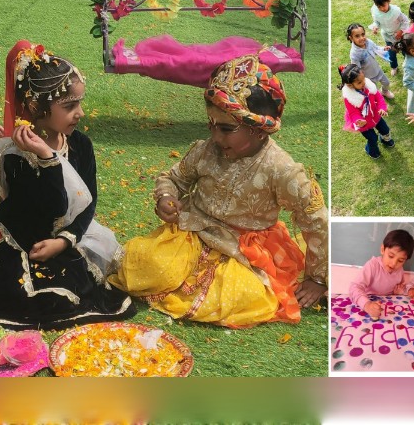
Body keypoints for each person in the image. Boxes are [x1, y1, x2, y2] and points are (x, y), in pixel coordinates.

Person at [109, 54, 328, 327]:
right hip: (190, 234)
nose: (215, 137)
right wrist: (167, 197)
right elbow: (174, 178)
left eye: (226, 128)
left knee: (247, 298)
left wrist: (317, 278)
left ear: (259, 129)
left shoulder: (281, 170)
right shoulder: (206, 149)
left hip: (244, 251)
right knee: (147, 265)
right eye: (210, 125)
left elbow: (317, 219)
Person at [0, 41, 134, 330]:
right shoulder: (17, 157)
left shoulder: (81, 145)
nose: (80, 113)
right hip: (27, 242)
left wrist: (65, 241)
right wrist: (47, 160)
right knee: (40, 298)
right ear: (36, 108)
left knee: (87, 287)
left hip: (67, 238)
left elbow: (89, 201)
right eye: (70, 106)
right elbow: (49, 209)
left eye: (80, 103)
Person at [348, 229, 414, 320]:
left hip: (389, 309)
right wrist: (367, 305)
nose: (394, 264)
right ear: (382, 249)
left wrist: (397, 293)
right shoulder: (372, 265)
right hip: (369, 306)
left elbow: (399, 289)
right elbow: (354, 287)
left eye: (400, 261)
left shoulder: (400, 270)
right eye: (391, 256)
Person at [339, 64, 394, 160]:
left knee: (385, 130)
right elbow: (353, 113)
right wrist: (359, 120)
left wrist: (382, 108)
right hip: (364, 123)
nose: (363, 83)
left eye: (363, 79)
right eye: (360, 82)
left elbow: (379, 97)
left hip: (376, 116)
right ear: (350, 85)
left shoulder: (370, 87)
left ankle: (385, 140)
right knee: (372, 138)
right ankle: (371, 151)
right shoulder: (350, 98)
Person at [369, 0, 410, 77]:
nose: (381, 9)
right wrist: (375, 26)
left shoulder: (395, 12)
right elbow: (377, 21)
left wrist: (400, 31)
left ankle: (408, 66)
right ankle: (394, 66)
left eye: (383, 5)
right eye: (379, 7)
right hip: (388, 36)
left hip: (400, 36)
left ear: (389, 0)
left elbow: (405, 21)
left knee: (405, 52)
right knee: (391, 53)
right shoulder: (376, 11)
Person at [347, 23, 394, 100]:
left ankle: (384, 91)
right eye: (357, 36)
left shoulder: (368, 42)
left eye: (363, 34)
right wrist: (361, 80)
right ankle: (377, 101)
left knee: (387, 83)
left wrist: (383, 49)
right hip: (368, 77)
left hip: (377, 70)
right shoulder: (354, 53)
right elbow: (356, 69)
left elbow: (376, 48)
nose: (362, 38)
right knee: (373, 91)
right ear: (351, 38)